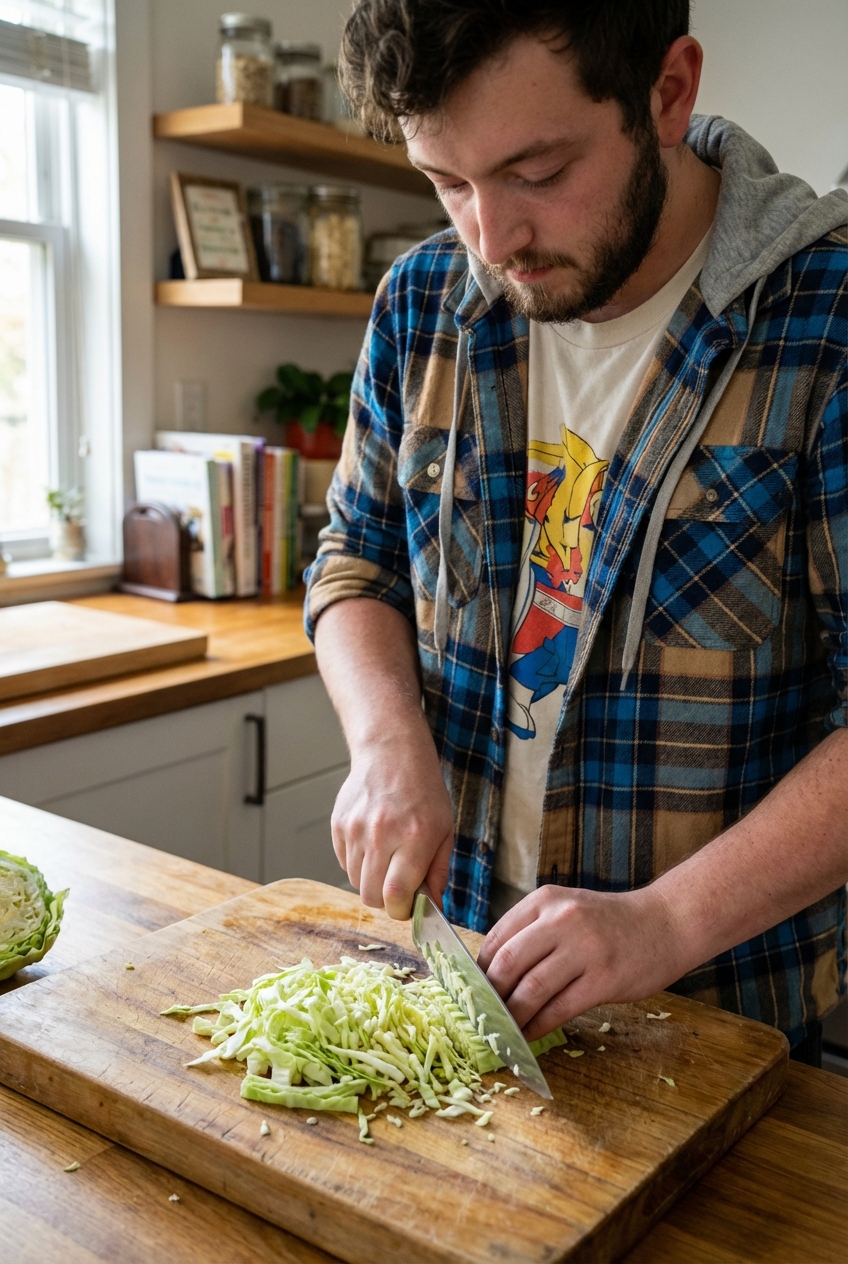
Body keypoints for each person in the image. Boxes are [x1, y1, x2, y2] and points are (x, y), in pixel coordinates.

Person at [305, 0, 847, 1062]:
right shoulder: (420, 306)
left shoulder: (823, 324)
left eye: (536, 173)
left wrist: (666, 918)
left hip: (741, 1023)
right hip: (462, 981)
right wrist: (382, 741)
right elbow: (356, 557)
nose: (489, 239)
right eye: (446, 183)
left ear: (666, 93)